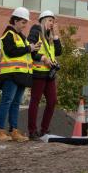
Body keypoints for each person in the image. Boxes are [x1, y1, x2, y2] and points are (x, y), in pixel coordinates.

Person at [0, 6, 40, 142]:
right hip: (10, 74)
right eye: (22, 22)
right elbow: (11, 51)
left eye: (26, 22)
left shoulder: (23, 37)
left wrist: (33, 49)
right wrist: (28, 48)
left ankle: (13, 130)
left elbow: (26, 54)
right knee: (7, 102)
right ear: (15, 21)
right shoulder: (8, 34)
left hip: (21, 75)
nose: (25, 25)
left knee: (15, 103)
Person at [27, 9, 63, 139]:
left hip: (49, 74)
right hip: (38, 73)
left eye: (53, 21)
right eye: (49, 20)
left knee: (52, 101)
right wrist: (43, 58)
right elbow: (30, 50)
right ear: (43, 20)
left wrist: (57, 36)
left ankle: (44, 129)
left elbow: (58, 52)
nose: (52, 23)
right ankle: (32, 131)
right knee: (35, 101)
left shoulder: (50, 36)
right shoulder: (36, 31)